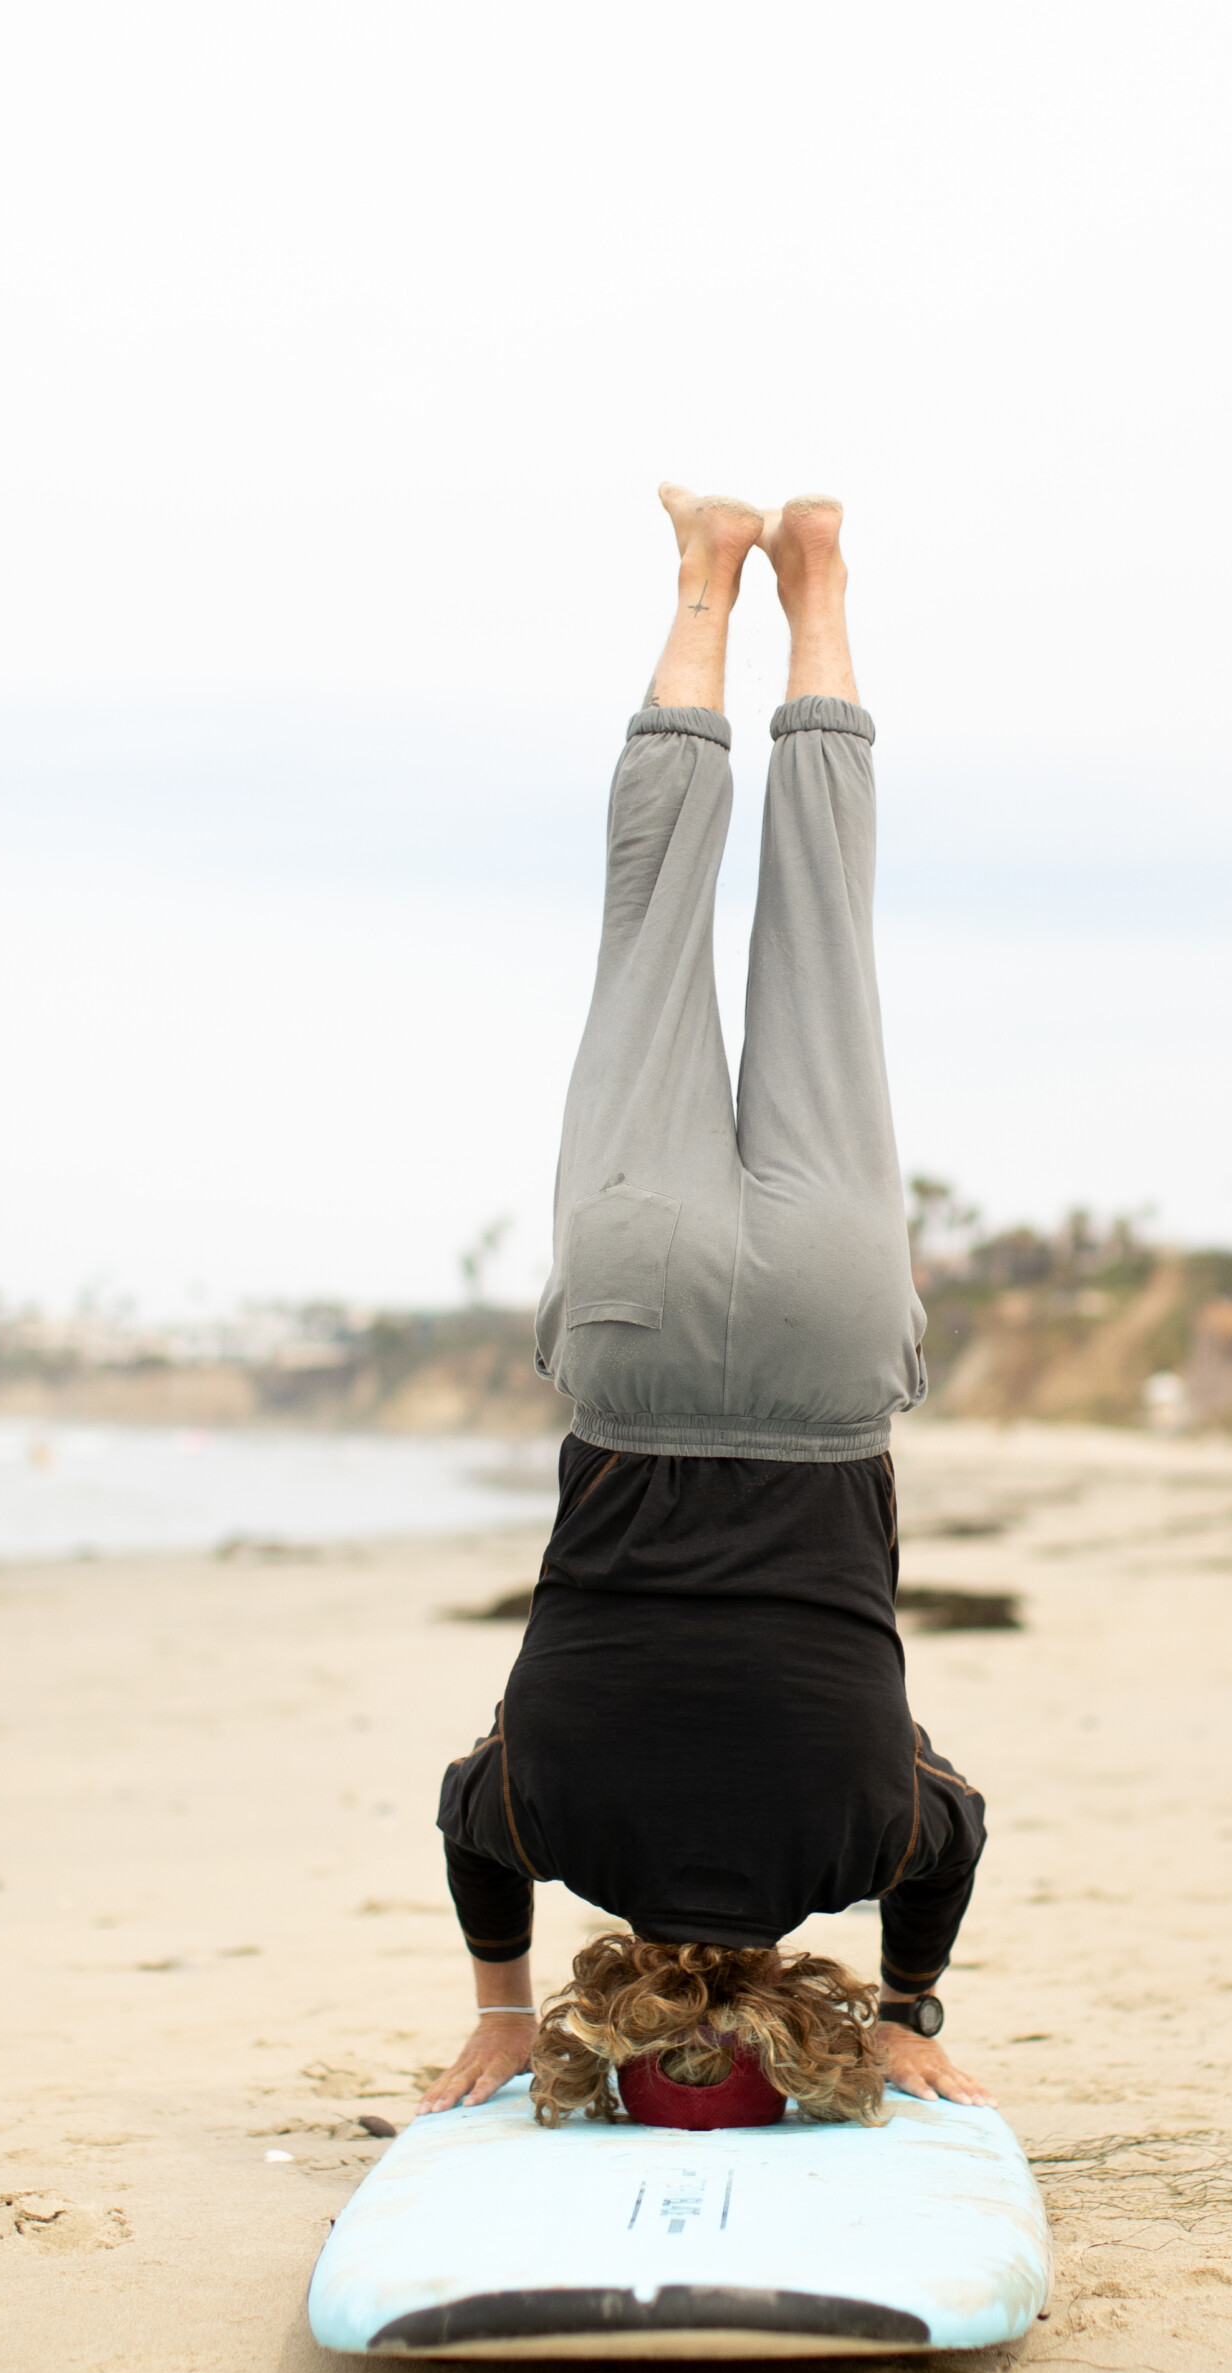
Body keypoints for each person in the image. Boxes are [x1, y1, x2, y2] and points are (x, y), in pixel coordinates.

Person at [423, 484, 990, 2127]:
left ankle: (810, 582)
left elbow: (955, 1832)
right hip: (637, 1345)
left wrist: (908, 2009)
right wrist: (498, 2010)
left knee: (827, 941)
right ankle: (699, 578)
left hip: (826, 1362)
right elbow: (461, 1819)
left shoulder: (859, 1842)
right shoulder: (552, 1829)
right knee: (648, 933)